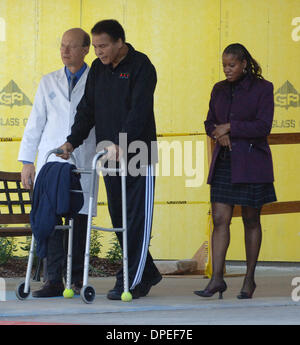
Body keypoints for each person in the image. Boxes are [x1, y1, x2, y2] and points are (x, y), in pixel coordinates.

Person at [58, 19, 162, 300]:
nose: (98, 52)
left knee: (136, 217)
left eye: (103, 46)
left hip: (137, 152)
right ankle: (148, 271)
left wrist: (122, 142)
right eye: (94, 47)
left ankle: (131, 279)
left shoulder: (141, 66)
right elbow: (87, 109)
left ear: (120, 42)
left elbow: (139, 111)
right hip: (108, 153)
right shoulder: (98, 71)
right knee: (119, 216)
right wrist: (71, 141)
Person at [18, 28, 97, 297]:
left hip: (83, 158)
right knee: (49, 216)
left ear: (86, 49)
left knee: (80, 216)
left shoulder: (96, 81)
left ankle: (75, 278)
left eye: (72, 46)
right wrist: (28, 161)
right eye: (62, 45)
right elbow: (35, 123)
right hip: (51, 161)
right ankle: (52, 280)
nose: (64, 51)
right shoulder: (47, 81)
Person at [195, 43, 277, 299]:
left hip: (252, 164)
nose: (227, 70)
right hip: (225, 162)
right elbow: (209, 122)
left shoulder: (264, 88)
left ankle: (249, 280)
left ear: (243, 63)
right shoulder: (218, 89)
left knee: (251, 220)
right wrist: (217, 134)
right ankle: (217, 279)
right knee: (220, 220)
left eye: (231, 65)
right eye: (224, 66)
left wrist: (230, 127)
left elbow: (263, 127)